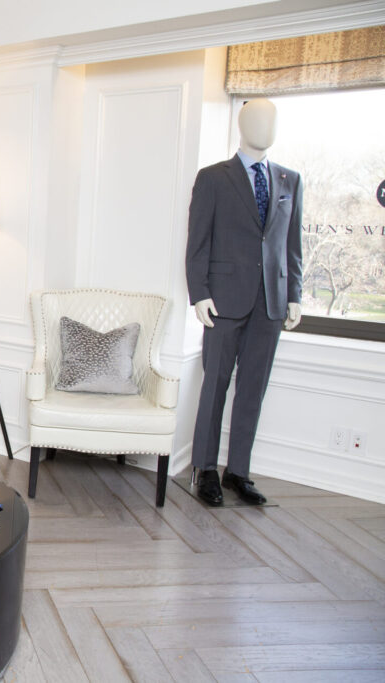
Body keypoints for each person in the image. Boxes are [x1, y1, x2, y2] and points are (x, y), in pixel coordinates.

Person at [186, 98, 303, 506]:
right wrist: (199, 293)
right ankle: (205, 469)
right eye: (257, 119)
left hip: (270, 303)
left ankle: (237, 471)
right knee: (215, 385)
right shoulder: (213, 178)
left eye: (272, 121)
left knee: (253, 388)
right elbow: (198, 241)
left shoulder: (290, 180)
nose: (265, 127)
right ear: (241, 124)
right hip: (223, 301)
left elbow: (292, 245)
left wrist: (294, 295)